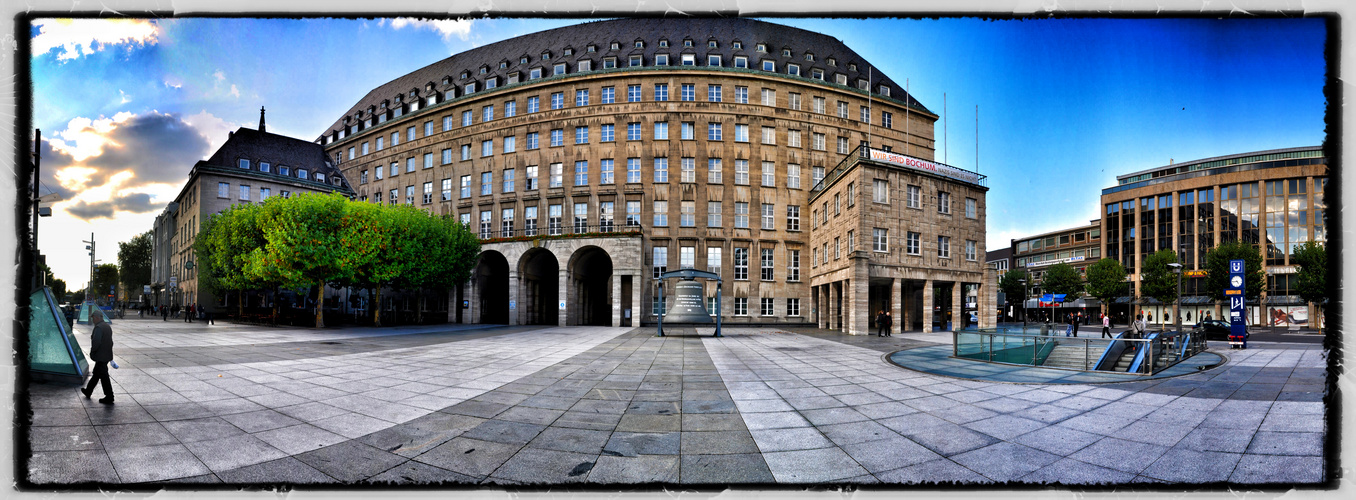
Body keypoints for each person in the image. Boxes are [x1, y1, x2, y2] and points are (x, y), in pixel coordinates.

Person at [81, 312, 115, 404]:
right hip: (106, 355)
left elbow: (96, 342)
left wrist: (93, 352)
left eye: (93, 318)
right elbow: (111, 342)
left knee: (104, 376)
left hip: (101, 356)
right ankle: (88, 391)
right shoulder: (107, 326)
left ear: (96, 318)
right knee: (96, 373)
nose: (92, 320)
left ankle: (109, 396)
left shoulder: (99, 328)